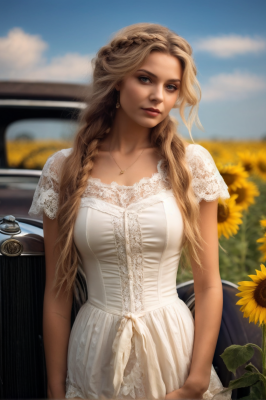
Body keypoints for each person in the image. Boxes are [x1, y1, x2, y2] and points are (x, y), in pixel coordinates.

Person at [29, 23, 232, 400]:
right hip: (93, 350)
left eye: (171, 87)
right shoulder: (63, 169)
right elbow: (57, 293)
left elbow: (207, 285)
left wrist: (197, 381)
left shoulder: (192, 164)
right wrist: (55, 389)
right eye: (145, 79)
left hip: (174, 348)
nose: (158, 96)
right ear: (118, 81)